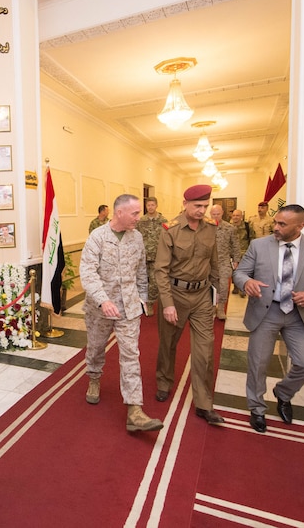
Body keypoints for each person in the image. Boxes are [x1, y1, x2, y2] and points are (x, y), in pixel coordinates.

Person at [232, 204, 304, 433]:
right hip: (265, 312)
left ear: (300, 226)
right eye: (276, 222)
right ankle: (257, 409)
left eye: (282, 224)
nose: (276, 227)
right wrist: (246, 282)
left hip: (299, 315)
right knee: (258, 364)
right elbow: (240, 272)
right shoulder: (259, 245)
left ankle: (283, 393)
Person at [80, 194, 163, 432]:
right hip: (100, 308)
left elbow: (140, 271)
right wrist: (103, 300)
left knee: (131, 356)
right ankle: (94, 379)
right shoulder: (97, 237)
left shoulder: (136, 237)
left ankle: (134, 410)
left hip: (129, 307)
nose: (139, 217)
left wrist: (144, 298)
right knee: (96, 348)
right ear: (119, 213)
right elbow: (87, 272)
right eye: (135, 213)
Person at [153, 184, 224, 425]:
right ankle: (164, 382)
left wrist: (218, 297)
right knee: (168, 343)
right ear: (185, 204)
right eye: (197, 206)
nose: (202, 211)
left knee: (205, 350)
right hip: (175, 295)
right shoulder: (170, 231)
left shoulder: (211, 230)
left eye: (205, 206)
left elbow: (214, 263)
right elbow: (160, 271)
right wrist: (167, 304)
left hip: (202, 295)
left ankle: (204, 403)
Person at [209, 204, 241, 320]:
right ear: (210, 214)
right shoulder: (205, 227)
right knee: (210, 286)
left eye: (218, 214)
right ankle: (212, 306)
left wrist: (236, 260)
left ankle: (221, 308)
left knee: (223, 286)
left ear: (222, 213)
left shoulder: (230, 228)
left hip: (223, 261)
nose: (216, 216)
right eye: (213, 214)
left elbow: (235, 245)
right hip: (208, 263)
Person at [137, 196, 167, 314]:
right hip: (142, 256)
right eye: (148, 205)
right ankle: (140, 302)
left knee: (154, 281)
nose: (150, 207)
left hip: (157, 256)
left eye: (152, 205)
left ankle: (150, 303)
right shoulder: (141, 221)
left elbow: (167, 238)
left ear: (156, 206)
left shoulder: (163, 221)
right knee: (141, 280)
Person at [230, 209, 251, 297]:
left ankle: (242, 289)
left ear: (241, 217)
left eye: (237, 215)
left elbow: (252, 238)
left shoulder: (247, 226)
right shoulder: (229, 226)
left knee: (243, 272)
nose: (235, 217)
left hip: (244, 252)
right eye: (234, 215)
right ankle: (235, 287)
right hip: (232, 253)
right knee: (233, 271)